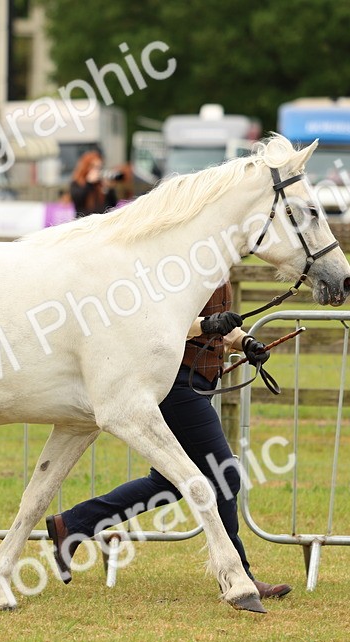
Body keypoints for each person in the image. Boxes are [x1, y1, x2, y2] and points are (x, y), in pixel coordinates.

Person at [45, 283, 293, 600]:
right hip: (176, 384)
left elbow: (218, 325)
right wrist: (207, 325)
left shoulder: (217, 270)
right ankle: (237, 575)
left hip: (193, 383)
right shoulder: (182, 270)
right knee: (224, 473)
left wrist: (244, 342)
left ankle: (73, 523)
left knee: (169, 482)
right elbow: (159, 324)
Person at [69, 150, 118, 216]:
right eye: (95, 167)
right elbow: (78, 201)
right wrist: (89, 183)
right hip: (84, 221)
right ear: (86, 167)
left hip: (101, 221)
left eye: (100, 167)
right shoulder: (77, 183)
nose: (98, 170)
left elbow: (112, 206)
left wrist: (109, 188)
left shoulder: (101, 184)